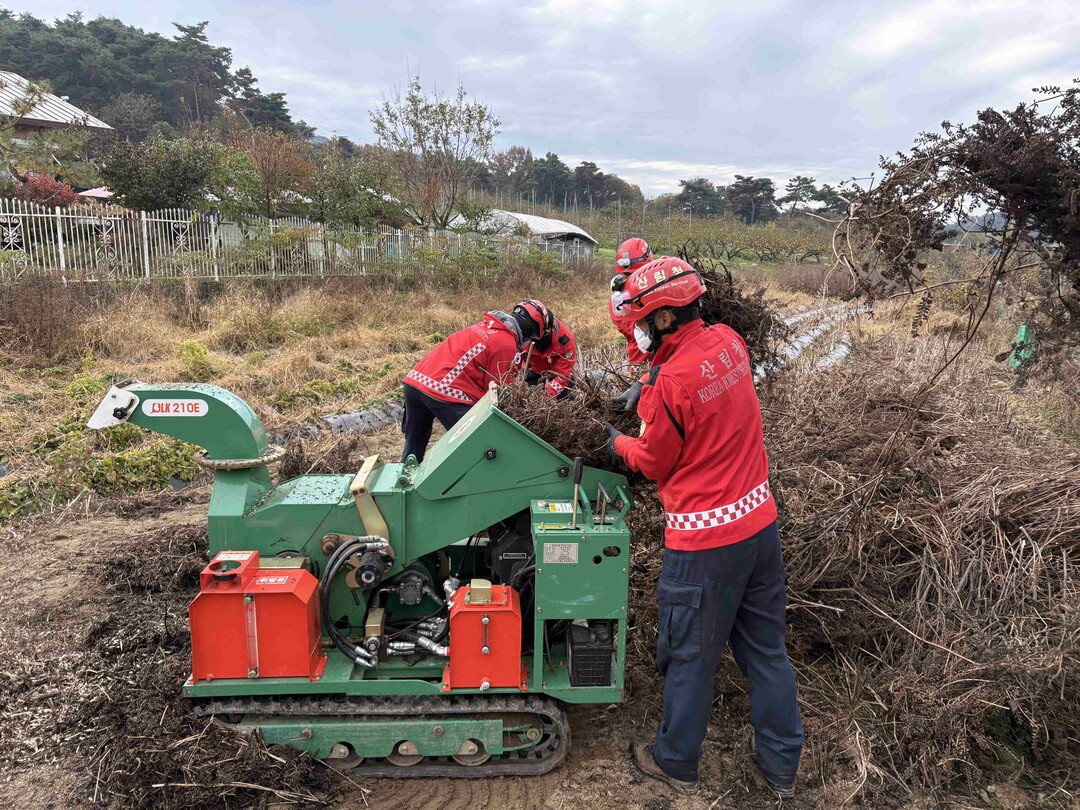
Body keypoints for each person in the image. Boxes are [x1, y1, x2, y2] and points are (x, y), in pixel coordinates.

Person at [605, 256, 803, 797]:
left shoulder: (673, 381)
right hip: (759, 527)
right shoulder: (729, 342)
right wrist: (646, 383)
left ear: (665, 318)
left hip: (704, 546)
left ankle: (674, 762)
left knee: (690, 656)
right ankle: (782, 767)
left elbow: (652, 460)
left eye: (642, 321)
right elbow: (697, 381)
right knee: (766, 652)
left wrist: (614, 442)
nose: (638, 331)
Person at [400, 304, 545, 462]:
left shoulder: (483, 326)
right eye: (532, 338)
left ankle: (404, 474)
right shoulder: (506, 345)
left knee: (413, 449)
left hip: (415, 382)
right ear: (529, 330)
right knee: (480, 448)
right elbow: (496, 392)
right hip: (444, 391)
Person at [609, 237, 653, 410]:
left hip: (659, 361)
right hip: (640, 362)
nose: (633, 280)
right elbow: (638, 334)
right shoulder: (619, 301)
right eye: (628, 276)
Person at [517, 299, 577, 399]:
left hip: (557, 372)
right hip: (532, 368)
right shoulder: (520, 337)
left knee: (567, 394)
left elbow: (563, 375)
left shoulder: (565, 341)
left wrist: (545, 397)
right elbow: (512, 366)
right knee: (529, 396)